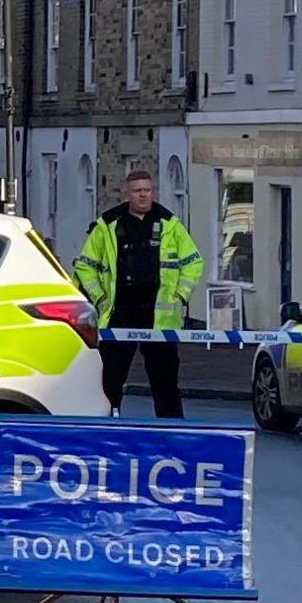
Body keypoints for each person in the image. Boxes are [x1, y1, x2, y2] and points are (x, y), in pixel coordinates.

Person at [72, 171, 203, 418]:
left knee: (165, 382)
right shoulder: (108, 225)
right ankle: (107, 425)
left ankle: (171, 431)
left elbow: (193, 262)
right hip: (119, 314)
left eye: (147, 190)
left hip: (160, 318)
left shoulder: (169, 224)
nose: (143, 195)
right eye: (137, 191)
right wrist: (99, 298)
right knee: (110, 380)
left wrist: (180, 297)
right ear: (127, 193)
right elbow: (85, 265)